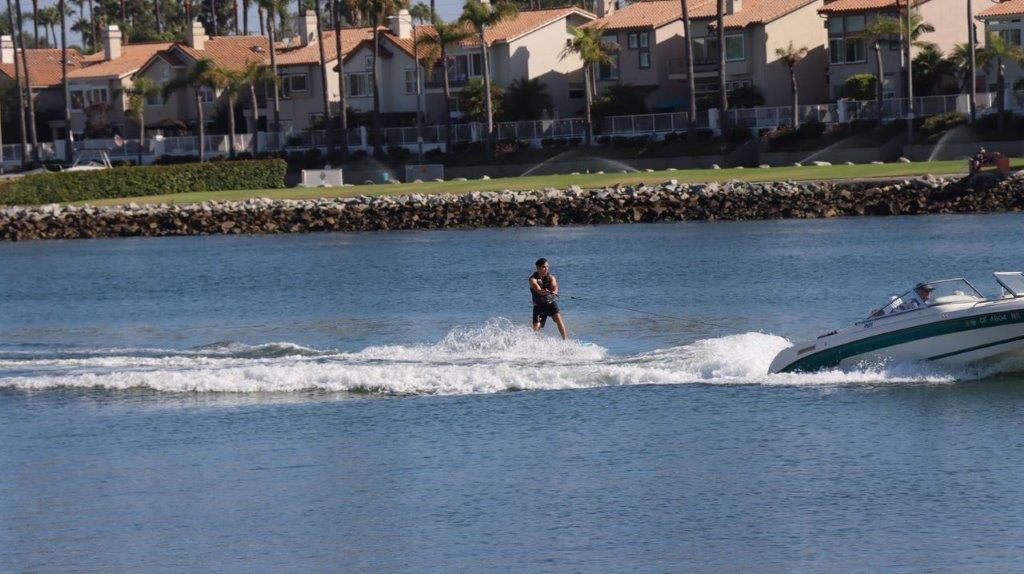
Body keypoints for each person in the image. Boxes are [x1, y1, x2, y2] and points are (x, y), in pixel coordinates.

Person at [529, 258, 568, 340]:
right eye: (544, 267)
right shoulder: (532, 279)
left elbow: (555, 288)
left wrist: (554, 292)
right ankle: (532, 342)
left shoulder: (551, 277)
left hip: (550, 302)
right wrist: (545, 291)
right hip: (538, 305)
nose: (546, 268)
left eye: (547, 266)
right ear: (538, 268)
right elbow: (538, 290)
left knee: (558, 319)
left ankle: (566, 340)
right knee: (537, 326)